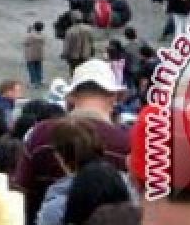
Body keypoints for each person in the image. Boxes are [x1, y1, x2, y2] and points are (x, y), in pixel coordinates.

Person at [13, 60, 130, 224]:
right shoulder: (126, 142)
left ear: (72, 97)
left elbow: (20, 191)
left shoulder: (39, 134)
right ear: (114, 97)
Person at [25, 21, 46, 89]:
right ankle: (40, 81)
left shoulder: (31, 35)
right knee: (39, 68)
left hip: (31, 55)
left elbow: (25, 42)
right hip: (40, 55)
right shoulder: (43, 36)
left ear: (34, 27)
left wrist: (28, 32)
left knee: (32, 69)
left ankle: (33, 82)